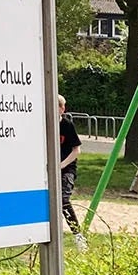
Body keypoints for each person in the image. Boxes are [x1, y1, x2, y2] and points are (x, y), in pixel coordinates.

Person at [57, 97, 81, 235]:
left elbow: (76, 150)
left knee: (63, 200)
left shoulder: (67, 125)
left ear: (62, 109)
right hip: (48, 169)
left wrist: (61, 165)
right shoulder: (44, 124)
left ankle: (77, 235)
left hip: (66, 169)